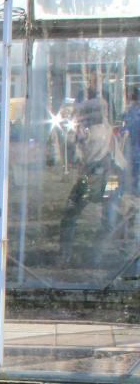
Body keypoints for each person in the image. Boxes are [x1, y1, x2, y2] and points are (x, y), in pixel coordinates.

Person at [59, 76, 112, 263]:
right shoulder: (100, 128)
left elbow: (77, 146)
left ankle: (76, 256)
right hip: (103, 176)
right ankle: (94, 255)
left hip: (99, 177)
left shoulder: (94, 131)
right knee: (108, 217)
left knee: (71, 214)